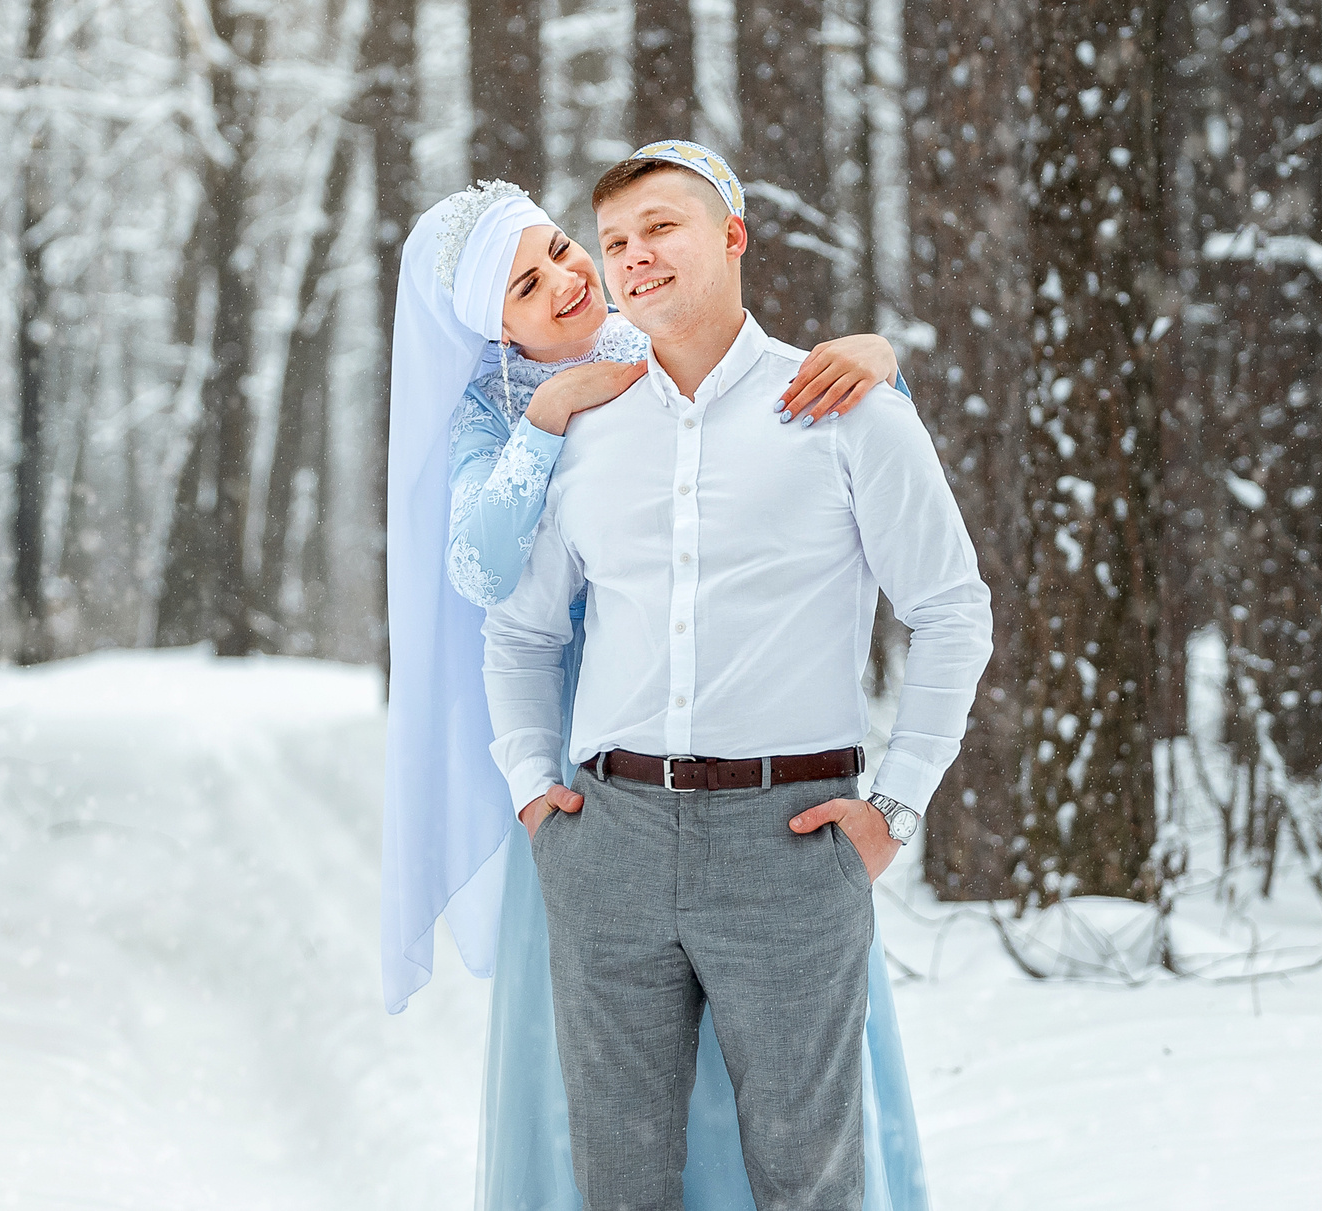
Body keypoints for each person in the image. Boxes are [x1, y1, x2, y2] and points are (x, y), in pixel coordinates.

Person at [378, 159, 926, 1210]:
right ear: (497, 334)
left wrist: (876, 361)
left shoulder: (657, 337)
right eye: (526, 291)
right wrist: (548, 420)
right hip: (602, 778)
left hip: (758, 766)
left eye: (558, 252)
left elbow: (796, 427)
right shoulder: (490, 421)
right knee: (620, 1106)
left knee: (791, 1085)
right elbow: (483, 572)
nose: (569, 280)